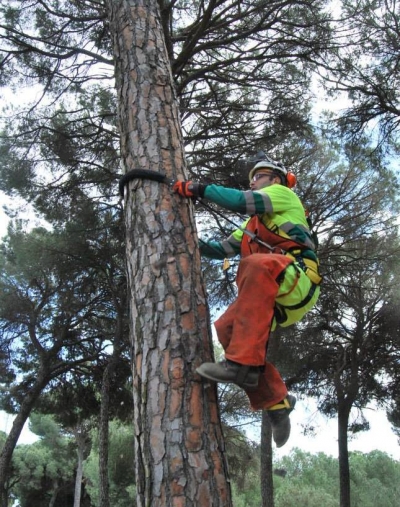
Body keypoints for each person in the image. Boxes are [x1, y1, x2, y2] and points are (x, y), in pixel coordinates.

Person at [173, 156, 322, 447]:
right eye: (252, 179)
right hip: (273, 294)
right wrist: (183, 241)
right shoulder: (250, 226)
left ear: (275, 180)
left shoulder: (283, 195)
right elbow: (222, 249)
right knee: (227, 327)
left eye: (259, 176)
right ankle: (277, 401)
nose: (253, 181)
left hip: (298, 279)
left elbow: (243, 200)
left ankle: (239, 367)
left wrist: (198, 189)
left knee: (254, 264)